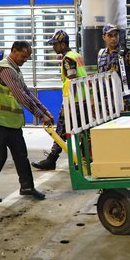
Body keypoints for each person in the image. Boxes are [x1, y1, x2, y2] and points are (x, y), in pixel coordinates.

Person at [0, 41, 53, 203]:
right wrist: (40, 115)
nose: (25, 60)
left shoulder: (15, 70)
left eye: (27, 58)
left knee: (20, 154)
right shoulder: (5, 69)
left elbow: (26, 92)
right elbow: (21, 96)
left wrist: (44, 110)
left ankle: (27, 187)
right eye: (23, 56)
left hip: (9, 122)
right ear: (14, 51)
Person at [32, 30, 87, 171]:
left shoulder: (68, 59)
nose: (53, 47)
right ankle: (83, 160)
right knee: (83, 133)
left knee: (60, 131)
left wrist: (67, 104)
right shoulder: (77, 56)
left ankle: (52, 159)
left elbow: (72, 79)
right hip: (83, 101)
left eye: (55, 44)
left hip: (73, 102)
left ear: (62, 44)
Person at [96, 23, 130, 111]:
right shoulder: (101, 54)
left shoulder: (127, 53)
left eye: (116, 35)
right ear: (104, 37)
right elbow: (99, 78)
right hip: (108, 103)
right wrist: (94, 98)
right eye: (110, 36)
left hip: (127, 101)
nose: (113, 38)